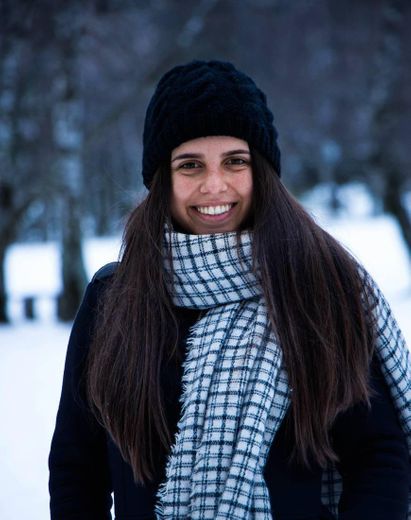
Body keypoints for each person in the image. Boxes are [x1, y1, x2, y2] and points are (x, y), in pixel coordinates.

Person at [49, 60, 411, 520]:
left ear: (261, 171)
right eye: (190, 165)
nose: (214, 185)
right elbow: (77, 470)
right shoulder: (114, 300)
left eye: (235, 161)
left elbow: (379, 456)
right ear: (163, 179)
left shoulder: (320, 290)